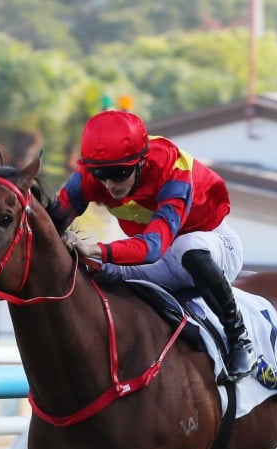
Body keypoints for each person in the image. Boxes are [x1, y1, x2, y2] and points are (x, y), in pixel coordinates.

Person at [47, 108, 255, 379]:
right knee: (87, 266)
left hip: (211, 246)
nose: (109, 184)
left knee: (187, 250)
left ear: (141, 162)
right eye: (100, 174)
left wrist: (97, 248)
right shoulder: (91, 178)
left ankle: (238, 337)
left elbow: (153, 248)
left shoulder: (173, 171)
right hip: (157, 257)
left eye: (119, 173)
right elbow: (50, 227)